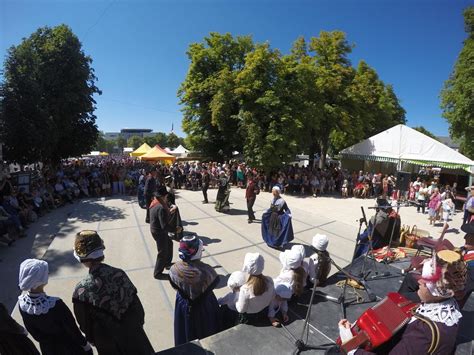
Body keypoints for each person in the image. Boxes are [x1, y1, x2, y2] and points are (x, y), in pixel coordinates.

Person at [340, 250, 467, 354]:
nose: (419, 282)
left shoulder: (424, 332)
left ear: (438, 291)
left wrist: (352, 348)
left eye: (425, 280)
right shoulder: (449, 309)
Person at [72, 230, 154, 355]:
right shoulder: (119, 274)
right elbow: (137, 308)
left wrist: (93, 339)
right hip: (134, 336)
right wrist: (135, 327)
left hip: (107, 343)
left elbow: (84, 323)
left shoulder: (81, 291)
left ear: (82, 259)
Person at [17, 258, 92, 355]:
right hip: (69, 347)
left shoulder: (22, 304)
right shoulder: (55, 304)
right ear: (40, 280)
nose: (47, 274)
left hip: (48, 349)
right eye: (46, 273)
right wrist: (85, 345)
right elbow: (72, 329)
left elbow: (34, 333)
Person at [169, 235, 221, 345]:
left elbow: (175, 286)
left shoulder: (174, 269)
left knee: (185, 332)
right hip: (205, 306)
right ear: (196, 252)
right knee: (208, 333)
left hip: (183, 306)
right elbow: (214, 282)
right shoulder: (208, 271)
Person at [236, 252, 275, 325]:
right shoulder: (269, 280)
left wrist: (236, 301)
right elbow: (272, 297)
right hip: (264, 312)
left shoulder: (245, 289)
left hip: (250, 318)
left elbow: (241, 309)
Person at [149, 189, 173, 279]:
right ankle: (157, 273)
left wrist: (169, 211)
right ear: (164, 197)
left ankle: (167, 263)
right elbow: (164, 226)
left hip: (155, 229)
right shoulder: (161, 207)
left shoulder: (154, 202)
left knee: (169, 244)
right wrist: (175, 230)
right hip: (159, 232)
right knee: (162, 252)